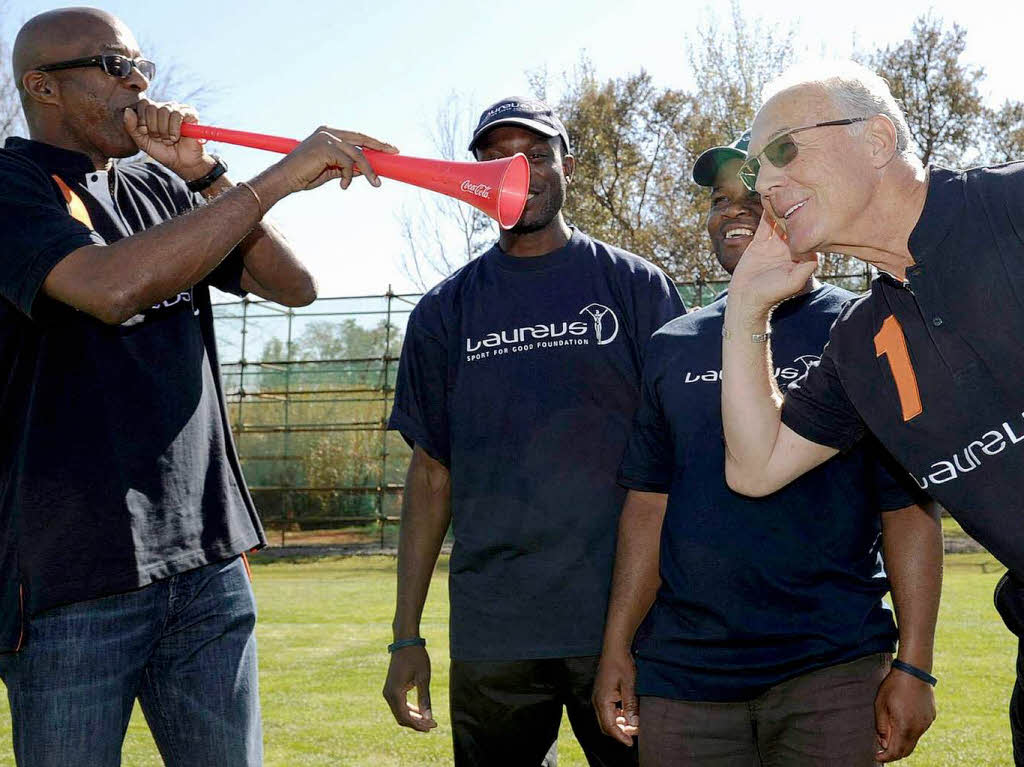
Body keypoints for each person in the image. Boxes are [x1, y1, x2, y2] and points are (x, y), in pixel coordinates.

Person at [0, 8, 397, 766]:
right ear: (42, 87)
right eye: (116, 67)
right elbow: (108, 287)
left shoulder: (160, 183)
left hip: (207, 562)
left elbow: (296, 286)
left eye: (142, 65)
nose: (141, 83)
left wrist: (209, 177)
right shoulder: (12, 188)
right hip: (72, 582)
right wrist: (279, 178)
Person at [591, 130, 942, 766]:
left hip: (830, 668)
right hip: (685, 676)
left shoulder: (862, 328)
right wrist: (617, 643)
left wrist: (915, 666)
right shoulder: (672, 342)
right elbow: (648, 504)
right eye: (719, 199)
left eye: (753, 193)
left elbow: (908, 508)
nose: (734, 209)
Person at [718, 59, 1024, 763]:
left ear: (879, 139)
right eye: (757, 167)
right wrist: (745, 309)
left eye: (783, 150)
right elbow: (756, 466)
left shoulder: (1011, 209)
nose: (763, 183)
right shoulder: (859, 345)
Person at [382, 97, 686, 766]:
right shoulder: (443, 312)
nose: (513, 172)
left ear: (567, 166)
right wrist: (406, 633)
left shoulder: (637, 288)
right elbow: (432, 476)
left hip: (629, 628)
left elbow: (683, 459)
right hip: (496, 633)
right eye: (492, 160)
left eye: (534, 155)